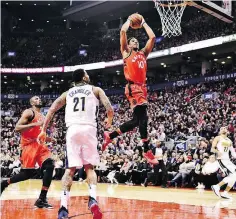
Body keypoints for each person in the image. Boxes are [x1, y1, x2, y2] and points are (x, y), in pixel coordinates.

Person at [37, 69, 114, 219]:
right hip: (89, 129)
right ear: (84, 77)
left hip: (72, 130)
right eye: (87, 74)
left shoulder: (67, 93)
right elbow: (109, 107)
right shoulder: (95, 89)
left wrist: (43, 130)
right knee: (89, 168)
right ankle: (92, 199)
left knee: (70, 170)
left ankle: (63, 208)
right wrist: (109, 120)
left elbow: (52, 109)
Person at [102, 13, 157, 165]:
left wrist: (144, 22)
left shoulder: (143, 54)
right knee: (143, 118)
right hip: (133, 87)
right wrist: (127, 21)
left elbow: (152, 38)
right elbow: (123, 32)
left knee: (136, 121)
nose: (135, 41)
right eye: (132, 40)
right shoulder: (127, 52)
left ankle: (111, 135)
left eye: (136, 40)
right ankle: (146, 150)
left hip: (142, 88)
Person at [0, 96, 55, 209]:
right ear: (31, 102)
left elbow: (38, 134)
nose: (38, 99)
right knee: (26, 174)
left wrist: (49, 139)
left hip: (40, 145)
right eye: (36, 99)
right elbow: (17, 128)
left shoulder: (43, 117)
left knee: (50, 165)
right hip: (28, 146)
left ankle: (42, 199)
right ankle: (4, 183)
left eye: (39, 98)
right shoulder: (29, 112)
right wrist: (34, 124)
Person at [211, 127, 236, 199]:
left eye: (225, 128)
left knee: (234, 177)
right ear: (219, 131)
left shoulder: (229, 141)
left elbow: (233, 153)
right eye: (221, 129)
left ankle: (225, 193)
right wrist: (217, 152)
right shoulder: (217, 138)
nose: (223, 129)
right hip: (221, 159)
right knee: (231, 176)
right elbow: (212, 149)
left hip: (227, 160)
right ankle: (216, 186)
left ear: (227, 131)